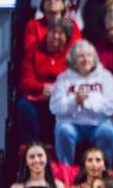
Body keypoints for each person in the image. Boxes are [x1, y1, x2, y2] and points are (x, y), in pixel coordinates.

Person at [49, 39, 113, 166]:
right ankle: (66, 173)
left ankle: (105, 172)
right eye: (81, 56)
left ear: (94, 58)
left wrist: (88, 103)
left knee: (108, 132)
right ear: (73, 60)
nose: (86, 59)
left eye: (89, 55)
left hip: (99, 124)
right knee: (63, 131)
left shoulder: (105, 76)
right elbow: (54, 107)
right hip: (71, 124)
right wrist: (74, 102)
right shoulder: (63, 78)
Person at [17, 16, 77, 144]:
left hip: (62, 99)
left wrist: (57, 91)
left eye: (60, 33)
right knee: (23, 107)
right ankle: (33, 148)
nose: (55, 36)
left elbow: (75, 82)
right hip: (37, 97)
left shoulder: (72, 57)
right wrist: (42, 88)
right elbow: (25, 81)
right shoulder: (34, 51)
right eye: (52, 32)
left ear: (67, 38)